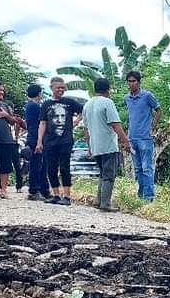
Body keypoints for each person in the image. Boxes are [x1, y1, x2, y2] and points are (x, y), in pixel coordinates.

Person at [83, 77, 130, 212]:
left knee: (103, 174)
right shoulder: (107, 103)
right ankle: (105, 203)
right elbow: (115, 124)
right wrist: (125, 141)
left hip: (96, 145)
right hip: (108, 145)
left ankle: (98, 200)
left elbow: (86, 130)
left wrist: (90, 147)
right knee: (109, 175)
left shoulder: (88, 104)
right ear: (108, 90)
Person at [36, 76, 84, 206]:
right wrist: (39, 141)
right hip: (50, 141)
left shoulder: (69, 102)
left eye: (63, 88)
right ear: (52, 88)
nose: (61, 90)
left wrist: (76, 121)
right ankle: (56, 194)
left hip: (65, 140)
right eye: (58, 88)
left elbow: (83, 111)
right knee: (51, 168)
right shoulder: (46, 104)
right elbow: (42, 123)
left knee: (64, 168)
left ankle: (67, 195)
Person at [124, 70, 161, 202]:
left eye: (134, 81)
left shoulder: (147, 96)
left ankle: (149, 197)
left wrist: (152, 127)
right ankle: (141, 195)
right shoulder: (126, 98)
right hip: (132, 138)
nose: (131, 84)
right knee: (138, 169)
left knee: (147, 168)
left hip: (145, 138)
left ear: (139, 82)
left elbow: (158, 110)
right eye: (129, 81)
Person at [24, 83, 50, 201]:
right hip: (36, 138)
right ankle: (34, 190)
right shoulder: (34, 106)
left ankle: (44, 190)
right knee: (37, 165)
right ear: (39, 94)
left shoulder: (30, 106)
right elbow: (40, 123)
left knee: (42, 165)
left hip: (35, 137)